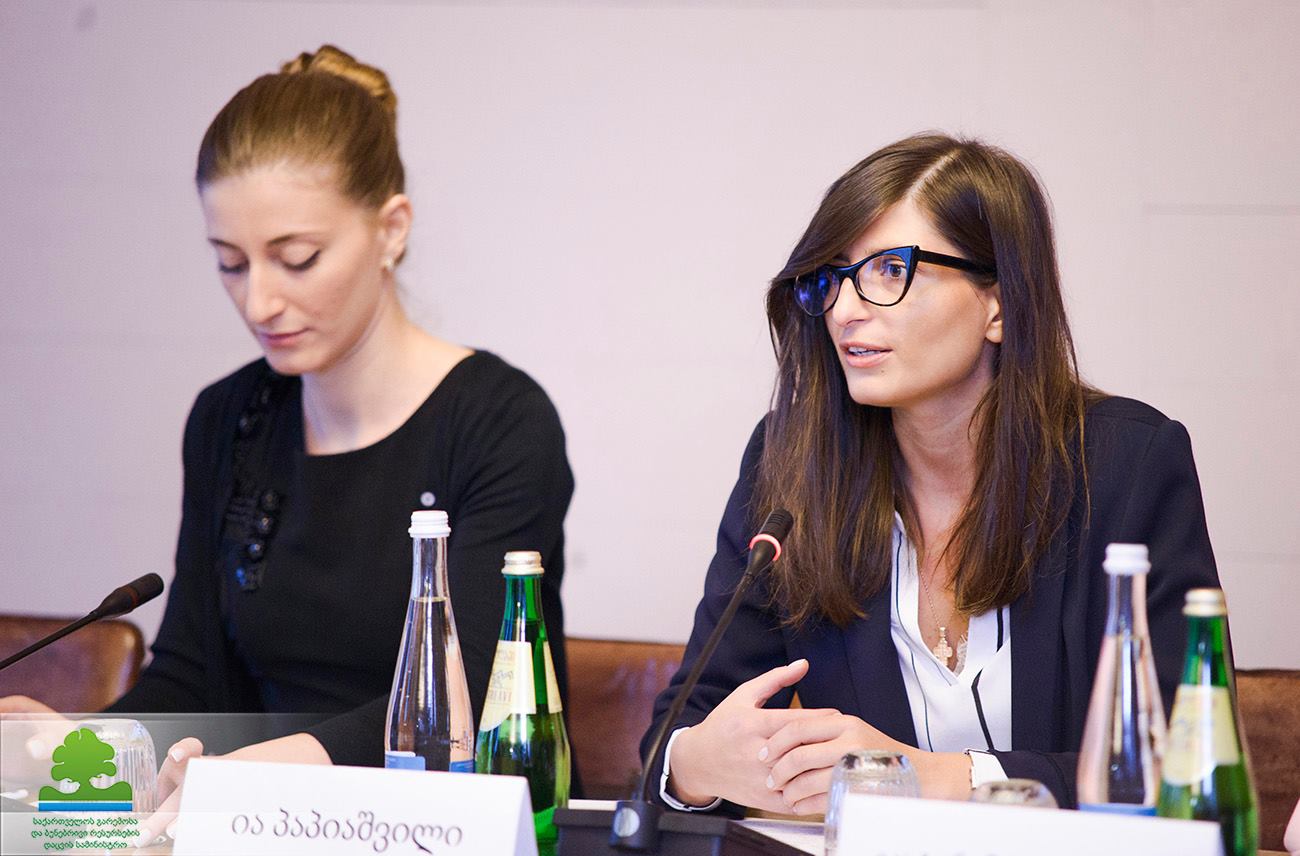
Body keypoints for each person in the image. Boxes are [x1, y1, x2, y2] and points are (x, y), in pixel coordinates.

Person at [0, 43, 573, 808]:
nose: (259, 302)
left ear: (392, 229)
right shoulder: (228, 418)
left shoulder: (499, 421)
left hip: (433, 828)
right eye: (231, 263)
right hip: (248, 818)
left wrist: (251, 775)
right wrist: (77, 753)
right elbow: (192, 679)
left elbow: (468, 700)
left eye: (296, 258)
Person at [645, 133, 1220, 815]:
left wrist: (935, 777)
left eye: (891, 270)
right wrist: (695, 766)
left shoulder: (1128, 464)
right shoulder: (791, 464)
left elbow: (1185, 761)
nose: (845, 310)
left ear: (999, 304)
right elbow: (678, 738)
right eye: (833, 278)